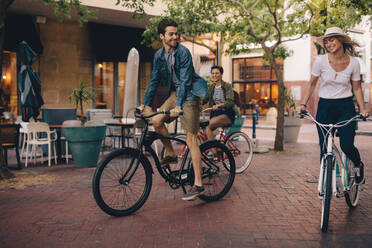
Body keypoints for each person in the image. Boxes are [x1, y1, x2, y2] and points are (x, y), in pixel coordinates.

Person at [138, 18, 208, 201]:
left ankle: (199, 184)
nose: (175, 37)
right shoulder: (159, 55)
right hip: (176, 94)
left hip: (190, 94)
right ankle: (170, 152)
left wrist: (179, 106)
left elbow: (185, 81)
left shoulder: (183, 52)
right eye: (171, 34)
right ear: (162, 36)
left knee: (191, 138)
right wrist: (144, 103)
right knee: (156, 120)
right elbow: (153, 81)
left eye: (176, 33)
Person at [300, 27, 369, 184]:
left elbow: (357, 87)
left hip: (346, 107)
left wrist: (363, 109)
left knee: (346, 145)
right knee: (324, 149)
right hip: (325, 106)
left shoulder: (354, 63)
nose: (328, 43)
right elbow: (311, 84)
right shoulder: (321, 61)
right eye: (326, 41)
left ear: (340, 40)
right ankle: (326, 185)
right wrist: (303, 104)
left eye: (331, 39)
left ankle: (358, 165)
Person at [202, 66, 240, 140]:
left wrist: (219, 105)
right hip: (216, 115)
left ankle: (213, 151)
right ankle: (217, 148)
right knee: (205, 133)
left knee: (208, 127)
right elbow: (204, 99)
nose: (214, 75)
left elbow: (230, 102)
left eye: (217, 73)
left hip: (227, 114)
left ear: (221, 74)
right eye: (212, 73)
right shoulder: (211, 87)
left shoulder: (227, 86)